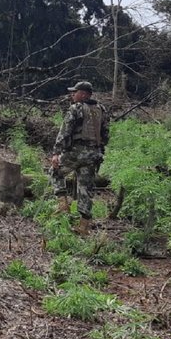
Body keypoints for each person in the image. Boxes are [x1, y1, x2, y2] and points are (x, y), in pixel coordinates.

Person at [50, 81, 109, 235]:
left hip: (75, 152)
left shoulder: (75, 108)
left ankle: (63, 204)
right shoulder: (101, 109)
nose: (72, 94)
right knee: (86, 189)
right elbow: (105, 135)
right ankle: (83, 226)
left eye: (74, 92)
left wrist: (56, 153)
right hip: (93, 155)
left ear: (83, 94)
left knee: (55, 171)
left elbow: (65, 131)